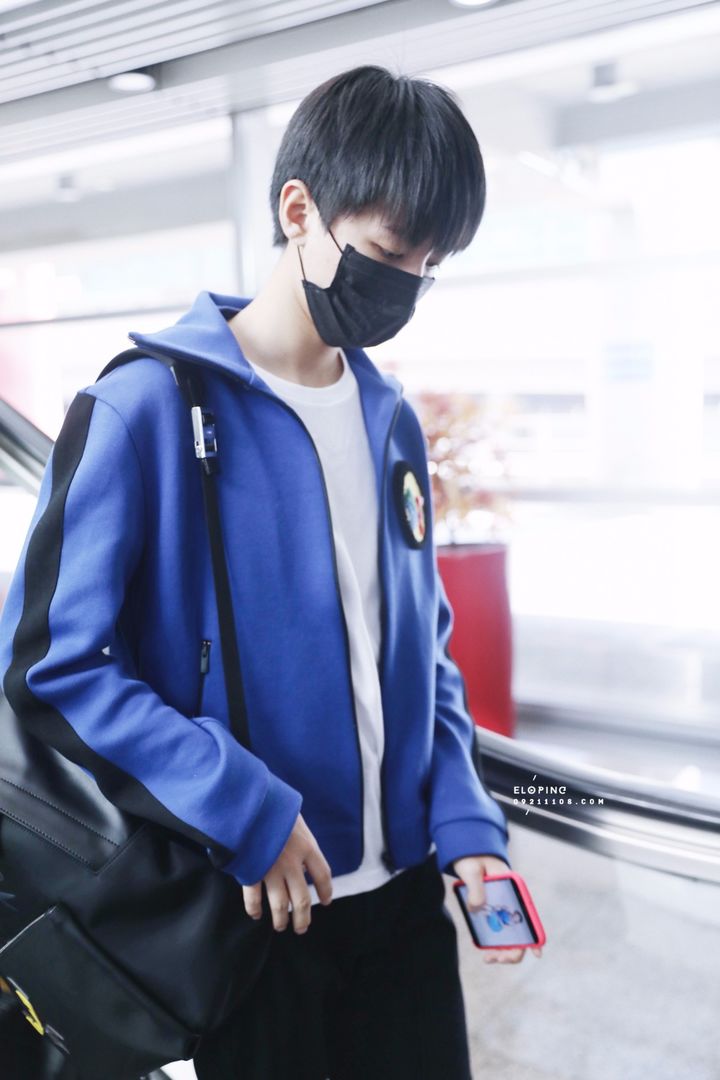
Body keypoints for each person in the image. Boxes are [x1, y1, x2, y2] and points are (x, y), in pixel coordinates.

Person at [0, 64, 542, 1080]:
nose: (406, 287)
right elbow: (51, 665)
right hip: (256, 911)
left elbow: (420, 653)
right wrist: (242, 806)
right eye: (389, 253)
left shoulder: (389, 420)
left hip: (407, 906)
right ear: (300, 210)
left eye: (430, 266)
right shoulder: (143, 407)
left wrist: (467, 823)